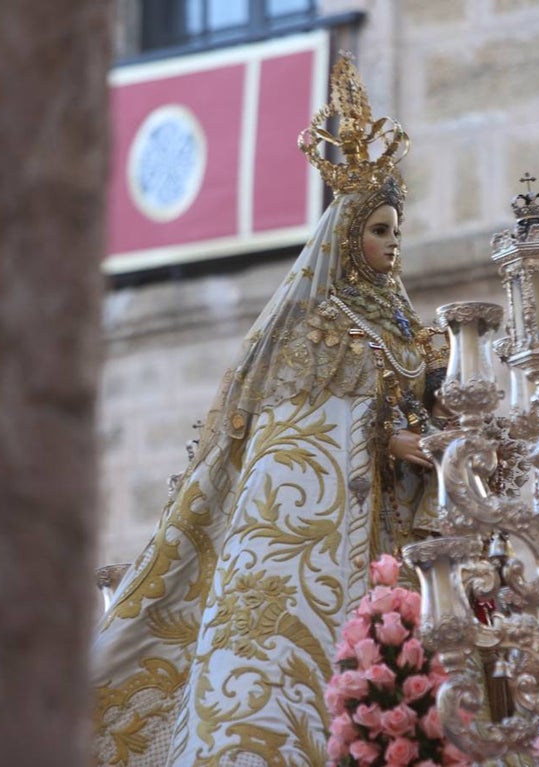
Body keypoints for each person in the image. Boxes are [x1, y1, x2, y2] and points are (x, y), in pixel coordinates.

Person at [91, 54, 446, 767]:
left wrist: (443, 424)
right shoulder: (323, 330)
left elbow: (430, 401)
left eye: (395, 230)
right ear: (346, 237)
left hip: (408, 529)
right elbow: (303, 438)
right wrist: (388, 441)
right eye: (379, 230)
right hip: (346, 534)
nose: (392, 243)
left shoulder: (410, 328)